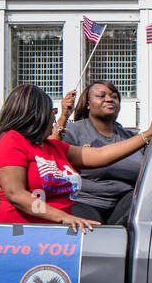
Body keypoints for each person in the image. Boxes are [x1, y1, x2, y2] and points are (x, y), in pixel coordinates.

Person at [0, 83, 152, 233]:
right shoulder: (11, 140)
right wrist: (63, 217)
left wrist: (149, 133)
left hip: (58, 236)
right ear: (38, 115)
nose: (54, 116)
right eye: (53, 111)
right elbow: (16, 194)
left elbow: (101, 155)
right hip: (23, 236)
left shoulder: (53, 147)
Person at [54, 80, 145, 224]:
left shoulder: (131, 139)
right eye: (101, 96)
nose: (109, 99)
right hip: (84, 202)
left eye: (114, 96)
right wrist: (64, 116)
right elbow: (51, 149)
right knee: (94, 232)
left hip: (124, 205)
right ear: (88, 104)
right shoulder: (74, 131)